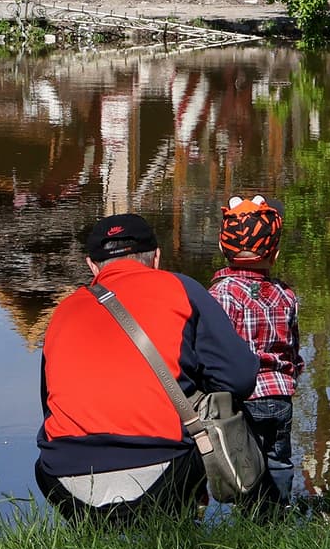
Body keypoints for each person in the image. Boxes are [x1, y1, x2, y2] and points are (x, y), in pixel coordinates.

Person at [36, 212, 258, 522]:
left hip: (63, 481)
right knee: (207, 420)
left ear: (91, 266)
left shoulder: (62, 312)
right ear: (156, 257)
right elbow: (240, 378)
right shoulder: (182, 289)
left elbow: (48, 405)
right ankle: (184, 533)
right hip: (162, 474)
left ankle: (92, 537)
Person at [209, 194, 302, 511]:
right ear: (273, 254)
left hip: (240, 397)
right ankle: (278, 512)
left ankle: (249, 516)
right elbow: (294, 348)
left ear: (223, 250)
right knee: (278, 458)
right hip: (279, 396)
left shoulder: (219, 294)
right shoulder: (285, 294)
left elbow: (214, 350)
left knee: (242, 458)